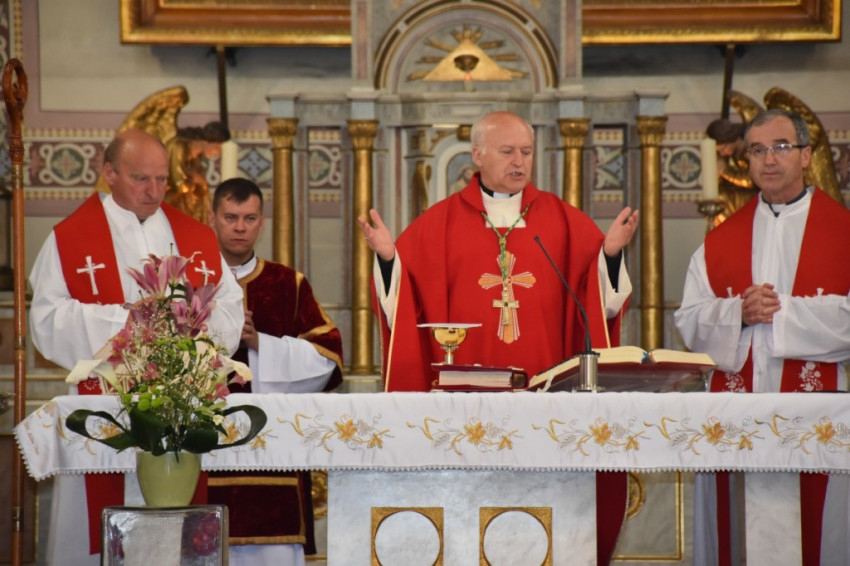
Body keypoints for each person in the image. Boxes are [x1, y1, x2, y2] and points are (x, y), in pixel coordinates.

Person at [358, 110, 639, 564]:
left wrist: (608, 255)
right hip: (465, 409)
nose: (519, 161)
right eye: (507, 151)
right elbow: (404, 311)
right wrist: (390, 260)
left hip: (548, 405)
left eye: (526, 151)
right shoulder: (439, 223)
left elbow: (600, 307)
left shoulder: (564, 221)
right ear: (477, 155)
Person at [29, 128, 244, 565]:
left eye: (162, 179)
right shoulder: (71, 237)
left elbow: (230, 307)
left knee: (173, 536)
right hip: (103, 404)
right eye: (141, 178)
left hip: (180, 406)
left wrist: (191, 320)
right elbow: (46, 321)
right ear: (109, 173)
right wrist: (127, 321)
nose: (154, 191)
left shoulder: (193, 235)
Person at [675, 109, 850, 566]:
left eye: (781, 147)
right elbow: (688, 321)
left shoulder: (843, 233)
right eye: (757, 150)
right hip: (737, 414)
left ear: (806, 155)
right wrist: (737, 312)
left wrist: (782, 312)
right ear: (747, 160)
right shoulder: (718, 241)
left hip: (814, 416)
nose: (769, 159)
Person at [207, 177, 343, 566]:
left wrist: (260, 345)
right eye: (230, 217)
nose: (240, 227)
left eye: (249, 218)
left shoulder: (287, 284)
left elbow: (328, 358)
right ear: (212, 219)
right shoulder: (189, 281)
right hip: (204, 450)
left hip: (273, 454)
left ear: (262, 222)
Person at [166, 121, 231, 222]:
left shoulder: (197, 158)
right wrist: (196, 182)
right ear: (208, 142)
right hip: (170, 203)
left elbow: (201, 190)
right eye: (217, 147)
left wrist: (200, 183)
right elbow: (179, 184)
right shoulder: (179, 147)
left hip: (187, 208)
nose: (218, 153)